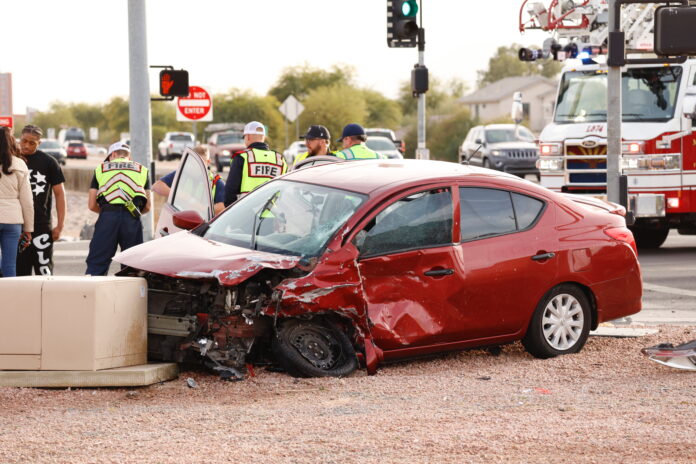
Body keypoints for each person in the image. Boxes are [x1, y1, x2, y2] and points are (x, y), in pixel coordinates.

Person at [85, 141, 151, 276]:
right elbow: (148, 206)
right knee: (133, 267)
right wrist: (134, 212)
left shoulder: (101, 169)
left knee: (97, 264)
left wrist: (106, 212)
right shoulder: (142, 170)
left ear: (113, 154)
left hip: (107, 218)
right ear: (129, 156)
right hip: (132, 218)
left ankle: (93, 295)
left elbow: (92, 205)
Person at [16, 124, 66, 276]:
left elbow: (60, 194)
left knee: (44, 272)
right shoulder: (11, 160)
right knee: (18, 274)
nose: (26, 145)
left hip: (42, 224)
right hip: (16, 225)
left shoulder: (49, 162)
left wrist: (60, 225)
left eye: (32, 143)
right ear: (20, 138)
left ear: (39, 143)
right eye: (24, 141)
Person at [224, 121, 287, 206]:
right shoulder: (280, 159)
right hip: (273, 212)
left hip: (246, 212)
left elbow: (229, 192)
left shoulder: (242, 157)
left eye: (244, 137)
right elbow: (285, 190)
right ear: (263, 137)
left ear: (248, 137)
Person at [152, 145, 226, 215]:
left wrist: (197, 206)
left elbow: (222, 207)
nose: (196, 166)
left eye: (200, 162)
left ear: (208, 162)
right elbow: (157, 186)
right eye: (194, 162)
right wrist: (178, 195)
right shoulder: (182, 174)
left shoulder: (216, 181)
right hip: (179, 221)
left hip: (204, 224)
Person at [0, 126, 34, 277]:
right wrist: (28, 229)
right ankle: (9, 299)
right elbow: (27, 201)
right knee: (9, 264)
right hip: (13, 221)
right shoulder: (20, 164)